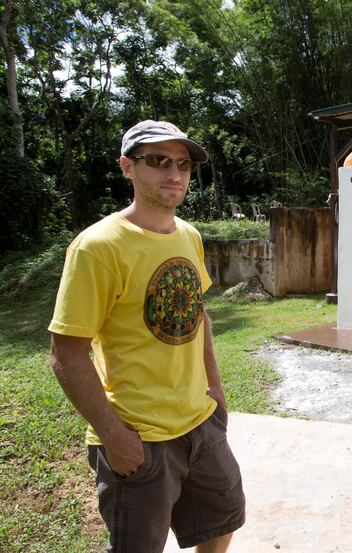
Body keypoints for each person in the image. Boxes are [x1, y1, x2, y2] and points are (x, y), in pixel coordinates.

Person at [48, 120, 245, 552]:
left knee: (223, 521)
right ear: (127, 167)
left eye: (183, 164)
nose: (174, 174)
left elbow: (198, 314)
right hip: (139, 437)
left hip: (200, 424)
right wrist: (114, 436)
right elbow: (66, 352)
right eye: (158, 161)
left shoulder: (189, 236)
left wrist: (216, 390)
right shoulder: (98, 247)